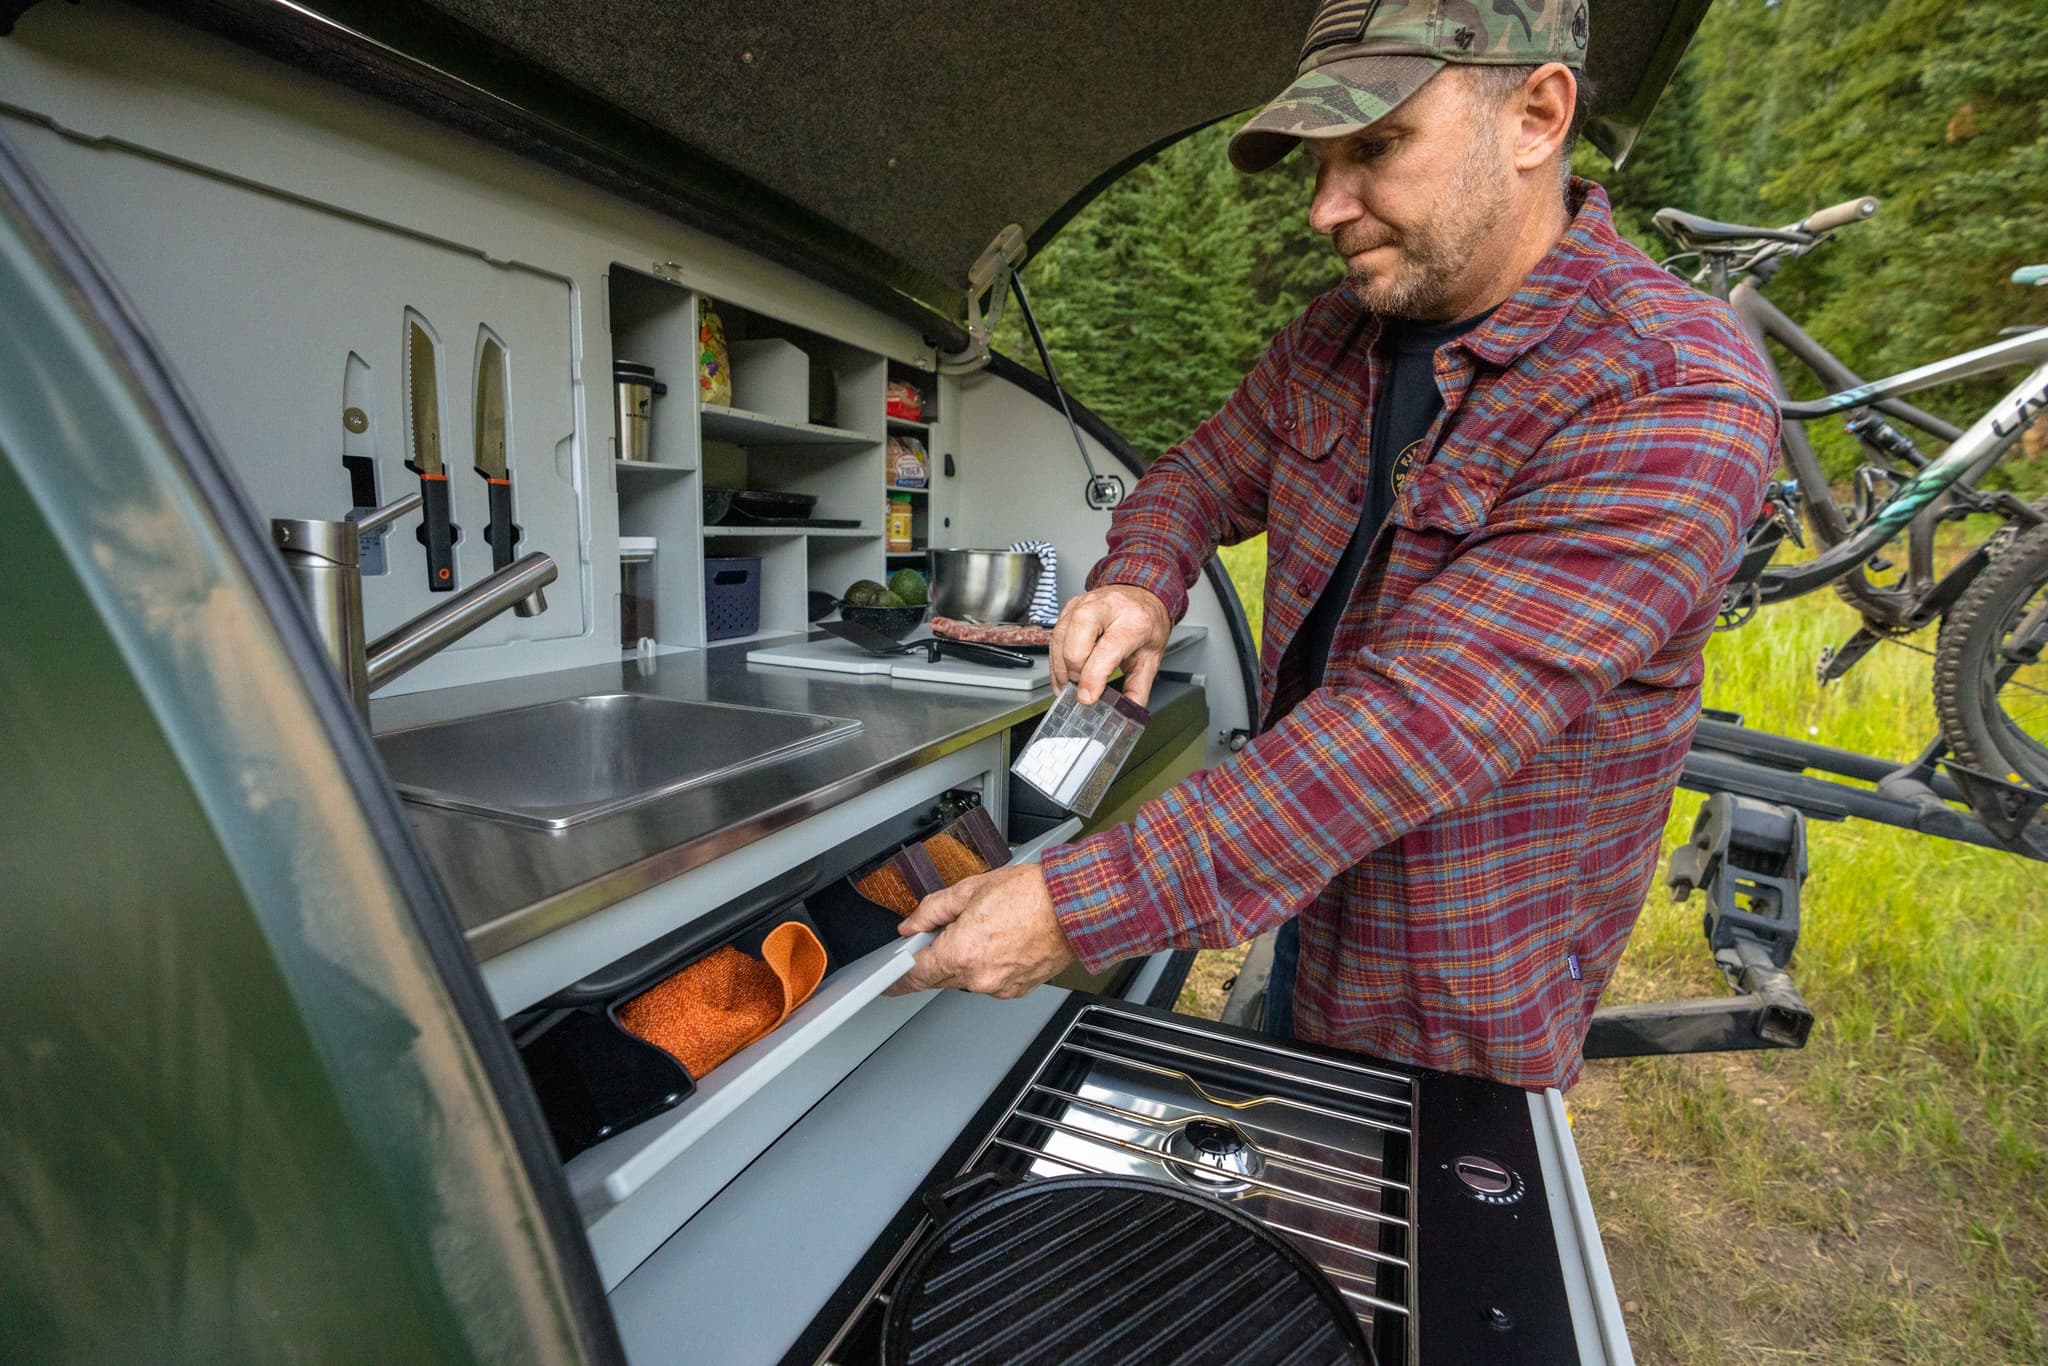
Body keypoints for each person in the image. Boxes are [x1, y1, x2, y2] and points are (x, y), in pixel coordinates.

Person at [886, 0, 1779, 1092]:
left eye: (1373, 148)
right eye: (1316, 163)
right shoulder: (1331, 339)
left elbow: (1422, 719)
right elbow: (1195, 474)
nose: (1323, 208)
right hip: (1296, 888)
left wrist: (1075, 904)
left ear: (1536, 116)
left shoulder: (1670, 389)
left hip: (1456, 983)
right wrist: (1139, 581)